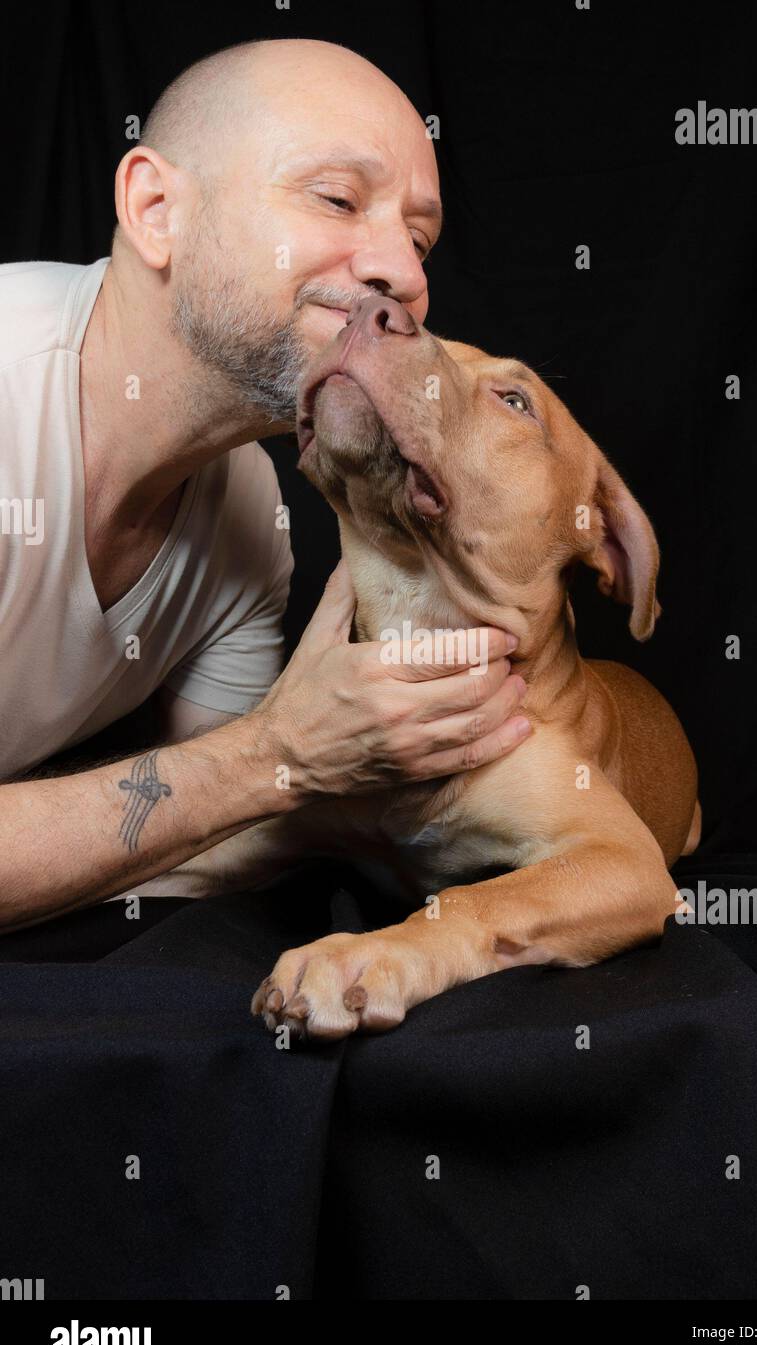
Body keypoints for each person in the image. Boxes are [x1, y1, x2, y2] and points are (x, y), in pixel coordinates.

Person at [0, 38, 532, 931]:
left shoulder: (254, 524)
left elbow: (186, 832)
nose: (402, 275)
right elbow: (235, 777)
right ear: (156, 208)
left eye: (418, 238)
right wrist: (278, 751)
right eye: (337, 199)